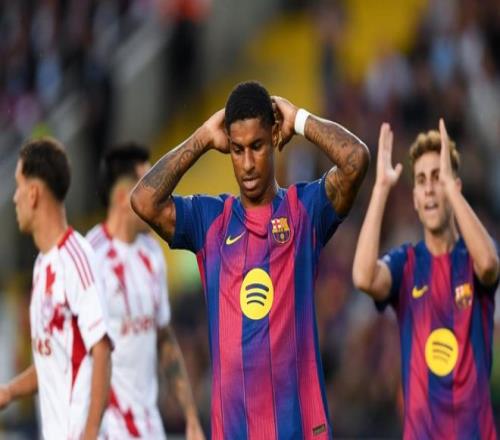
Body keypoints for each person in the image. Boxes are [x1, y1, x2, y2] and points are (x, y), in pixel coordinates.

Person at [130, 81, 370, 438]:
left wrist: (299, 119)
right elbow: (144, 201)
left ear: (274, 136)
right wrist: (202, 137)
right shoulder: (210, 221)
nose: (246, 164)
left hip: (299, 429)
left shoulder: (304, 211)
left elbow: (356, 160)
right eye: (237, 149)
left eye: (256, 146)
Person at [352, 121, 499, 439]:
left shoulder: (473, 257)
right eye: (421, 180)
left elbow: (489, 265)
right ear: (416, 198)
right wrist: (380, 189)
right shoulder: (406, 263)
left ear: (454, 187)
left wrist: (452, 190)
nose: (430, 188)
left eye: (438, 178)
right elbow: (363, 276)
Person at [86, 143, 204, 439]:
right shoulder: (90, 257)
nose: (158, 196)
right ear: (123, 197)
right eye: (150, 186)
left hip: (149, 426)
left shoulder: (152, 254)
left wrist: (191, 417)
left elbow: (164, 338)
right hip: (106, 428)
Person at [0, 138, 112, 440]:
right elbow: (54, 363)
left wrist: (90, 433)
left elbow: (102, 350)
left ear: (33, 193)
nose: (15, 198)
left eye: (18, 186)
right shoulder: (41, 266)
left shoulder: (77, 257)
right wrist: (9, 391)